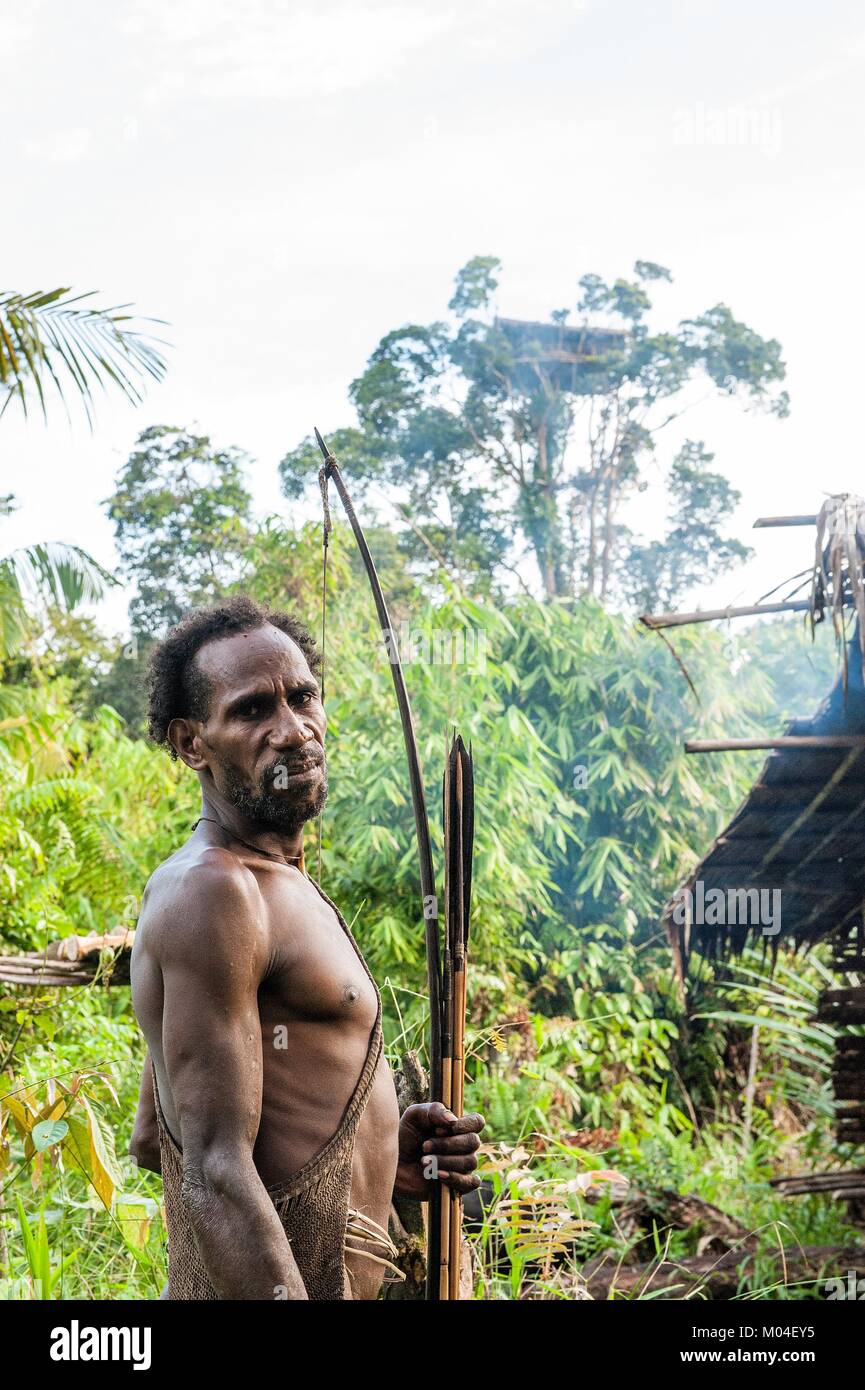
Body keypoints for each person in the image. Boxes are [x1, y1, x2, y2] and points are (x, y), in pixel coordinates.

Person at [129, 596, 483, 1300]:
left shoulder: (279, 879)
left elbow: (151, 1137)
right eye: (252, 710)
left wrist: (384, 1154)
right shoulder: (216, 890)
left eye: (303, 697)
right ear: (191, 743)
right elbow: (212, 1171)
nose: (293, 730)